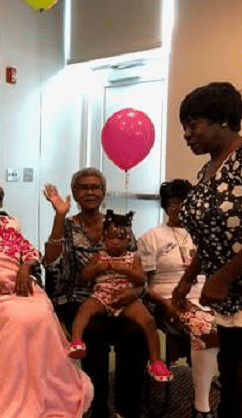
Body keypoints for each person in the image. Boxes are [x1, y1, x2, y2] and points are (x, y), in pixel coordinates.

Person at [0, 176, 93, 418]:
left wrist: (24, 269)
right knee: (10, 316)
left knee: (41, 313)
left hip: (13, 275)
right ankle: (9, 384)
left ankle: (43, 385)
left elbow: (30, 252)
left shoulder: (9, 224)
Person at [43, 168, 148, 418]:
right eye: (84, 188)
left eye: (95, 187)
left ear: (103, 193)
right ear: (75, 194)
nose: (90, 191)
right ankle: (97, 407)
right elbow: (51, 262)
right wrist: (59, 217)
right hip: (80, 299)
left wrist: (134, 292)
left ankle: (128, 407)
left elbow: (135, 264)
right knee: (94, 336)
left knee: (137, 332)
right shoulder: (68, 227)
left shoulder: (119, 225)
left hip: (120, 296)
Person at [172, 82, 242, 418]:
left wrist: (223, 278)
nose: (186, 134)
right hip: (228, 296)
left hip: (235, 287)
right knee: (231, 378)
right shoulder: (209, 167)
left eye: (193, 124)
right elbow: (211, 231)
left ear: (223, 120)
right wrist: (189, 277)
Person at [138, 179, 218, 418]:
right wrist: (163, 303)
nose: (179, 207)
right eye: (173, 202)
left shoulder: (204, 234)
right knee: (207, 330)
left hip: (206, 294)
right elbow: (142, 284)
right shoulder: (152, 237)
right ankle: (201, 406)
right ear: (164, 205)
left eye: (185, 202)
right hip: (168, 297)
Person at [69, 210, 173, 382]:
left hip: (127, 298)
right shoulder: (99, 256)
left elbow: (142, 280)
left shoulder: (133, 260)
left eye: (120, 238)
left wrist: (126, 271)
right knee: (84, 310)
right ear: (104, 238)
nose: (115, 242)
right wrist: (98, 268)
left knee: (148, 321)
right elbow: (84, 276)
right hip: (101, 296)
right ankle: (76, 342)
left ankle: (155, 361)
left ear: (128, 240)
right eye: (111, 238)